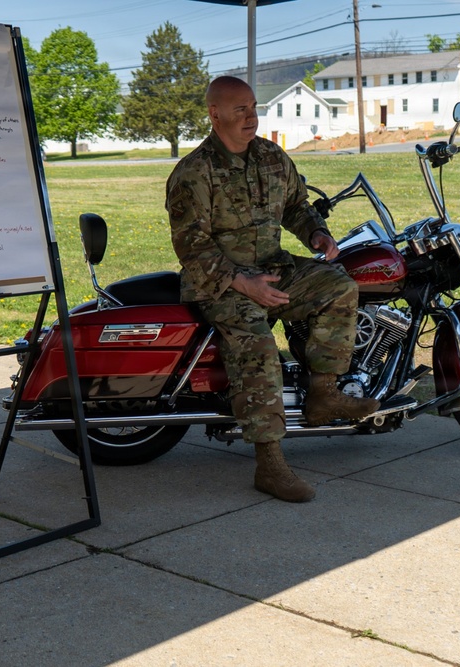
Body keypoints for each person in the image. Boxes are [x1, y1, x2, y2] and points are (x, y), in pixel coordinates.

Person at [165, 76, 378, 503]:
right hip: (220, 283)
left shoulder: (270, 156)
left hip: (273, 269)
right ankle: (270, 462)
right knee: (258, 347)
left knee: (338, 286)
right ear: (215, 114)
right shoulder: (195, 171)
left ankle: (323, 393)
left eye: (254, 106)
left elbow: (297, 205)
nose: (251, 116)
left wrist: (316, 235)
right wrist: (243, 283)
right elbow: (192, 244)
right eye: (240, 109)